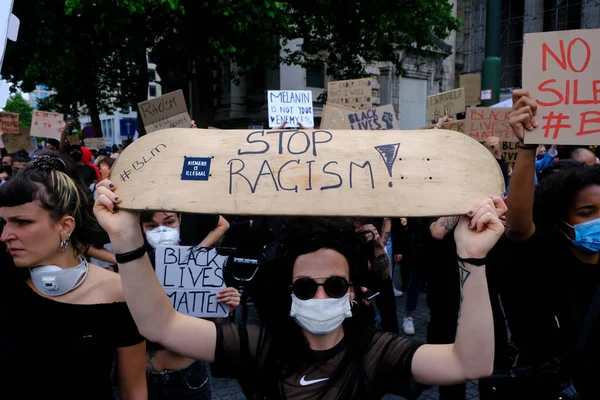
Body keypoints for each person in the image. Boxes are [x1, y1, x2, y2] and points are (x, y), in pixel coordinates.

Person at [94, 178, 503, 399]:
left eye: (335, 285)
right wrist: (128, 240)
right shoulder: (259, 346)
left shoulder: (375, 353)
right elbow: (159, 325)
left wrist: (473, 259)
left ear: (353, 291)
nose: (321, 297)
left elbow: (471, 364)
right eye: (306, 287)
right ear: (288, 291)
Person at [0, 155, 147, 399]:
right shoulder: (6, 281)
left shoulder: (119, 292)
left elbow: (134, 390)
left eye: (21, 222)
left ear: (66, 226)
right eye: (3, 222)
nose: (5, 235)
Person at [498, 89, 600, 399]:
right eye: (587, 213)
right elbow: (518, 227)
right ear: (558, 220)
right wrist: (527, 146)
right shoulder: (546, 254)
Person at [141, 210, 240, 400]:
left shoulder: (204, 265)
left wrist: (227, 306)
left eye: (169, 222)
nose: (161, 231)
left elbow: (212, 321)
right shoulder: (136, 267)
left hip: (188, 376)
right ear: (142, 228)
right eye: (151, 226)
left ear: (180, 219)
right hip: (144, 378)